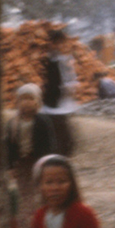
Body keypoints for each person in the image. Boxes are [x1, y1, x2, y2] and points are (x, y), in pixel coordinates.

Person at [4, 84, 56, 228]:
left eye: (30, 98)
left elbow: (50, 143)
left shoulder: (43, 121)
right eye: (23, 99)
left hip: (38, 162)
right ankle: (27, 226)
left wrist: (49, 161)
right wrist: (10, 167)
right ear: (17, 102)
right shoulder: (13, 123)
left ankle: (42, 223)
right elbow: (9, 146)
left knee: (39, 192)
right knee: (24, 194)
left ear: (37, 101)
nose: (26, 102)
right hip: (22, 164)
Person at [40, 29, 78, 157]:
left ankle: (64, 153)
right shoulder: (45, 60)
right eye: (56, 43)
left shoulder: (64, 60)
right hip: (50, 100)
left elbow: (70, 78)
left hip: (60, 100)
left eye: (61, 43)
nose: (59, 46)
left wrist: (70, 88)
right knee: (55, 129)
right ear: (50, 44)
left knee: (61, 129)